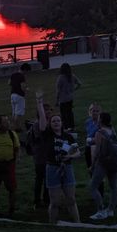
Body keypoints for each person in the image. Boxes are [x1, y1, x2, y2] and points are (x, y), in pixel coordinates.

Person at [36, 91, 81, 224]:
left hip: (67, 168)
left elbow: (77, 152)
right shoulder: (47, 135)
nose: (56, 122)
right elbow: (42, 122)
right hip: (52, 168)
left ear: (62, 123)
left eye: (58, 121)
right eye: (53, 121)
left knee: (71, 199)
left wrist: (69, 155)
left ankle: (78, 223)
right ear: (50, 124)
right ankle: (52, 224)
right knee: (54, 201)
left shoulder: (68, 137)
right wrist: (39, 103)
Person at [90, 112, 117, 220]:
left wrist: (92, 165)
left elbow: (97, 151)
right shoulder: (112, 130)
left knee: (93, 187)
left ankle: (100, 210)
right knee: (114, 187)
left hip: (103, 163)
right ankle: (110, 210)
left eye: (98, 118)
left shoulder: (99, 132)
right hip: (113, 162)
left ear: (101, 120)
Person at [0, 115, 20, 217]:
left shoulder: (12, 134)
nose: (8, 124)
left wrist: (16, 160)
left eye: (8, 122)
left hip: (9, 165)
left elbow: (17, 148)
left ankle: (11, 210)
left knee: (12, 188)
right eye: (5, 122)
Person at [27, 102, 52, 209]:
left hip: (47, 155)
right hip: (41, 157)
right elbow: (41, 138)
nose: (49, 112)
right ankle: (37, 201)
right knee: (40, 179)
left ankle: (46, 199)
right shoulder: (37, 125)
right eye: (46, 110)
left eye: (50, 110)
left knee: (47, 178)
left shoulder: (49, 123)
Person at [84, 102, 104, 198]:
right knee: (90, 170)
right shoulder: (87, 122)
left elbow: (103, 137)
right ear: (89, 112)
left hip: (98, 149)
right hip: (88, 148)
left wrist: (92, 139)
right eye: (92, 110)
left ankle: (100, 193)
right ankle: (94, 191)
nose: (94, 112)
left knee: (98, 171)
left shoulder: (102, 123)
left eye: (97, 111)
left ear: (100, 112)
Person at [55, 62, 81, 130]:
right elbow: (79, 84)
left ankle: (65, 127)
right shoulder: (72, 76)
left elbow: (58, 90)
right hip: (70, 98)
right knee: (70, 112)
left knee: (63, 114)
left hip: (63, 99)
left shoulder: (60, 78)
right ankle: (72, 126)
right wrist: (74, 90)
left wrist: (57, 101)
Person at [9, 62, 31, 132]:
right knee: (18, 113)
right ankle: (17, 127)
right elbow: (23, 86)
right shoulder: (22, 76)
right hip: (19, 96)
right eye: (27, 71)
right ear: (25, 70)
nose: (26, 73)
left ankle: (14, 126)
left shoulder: (13, 75)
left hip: (12, 95)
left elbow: (9, 83)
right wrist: (26, 89)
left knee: (14, 112)